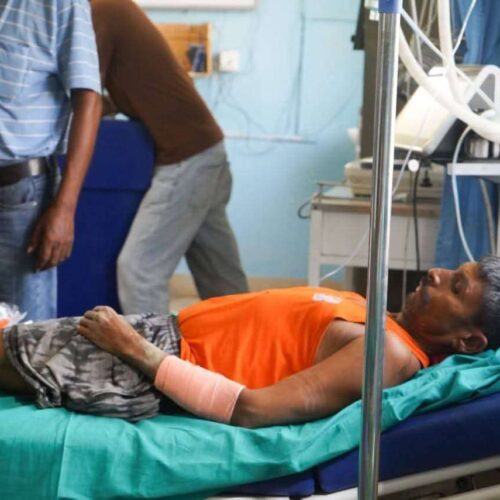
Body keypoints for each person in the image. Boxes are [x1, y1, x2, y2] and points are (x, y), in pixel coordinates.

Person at [1, 257, 499, 427]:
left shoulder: (390, 354)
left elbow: (252, 410)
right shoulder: (384, 323)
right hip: (154, 338)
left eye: (456, 287)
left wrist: (134, 349)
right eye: (453, 270)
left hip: (146, 363)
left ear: (470, 341)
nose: (436, 273)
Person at [90, 0, 248, 314]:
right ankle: (255, 344)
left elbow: (84, 94)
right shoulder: (114, 9)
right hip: (207, 149)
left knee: (139, 271)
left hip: (187, 159)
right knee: (223, 284)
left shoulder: (100, 9)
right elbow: (127, 93)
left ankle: (148, 349)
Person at [0, 0, 102, 320]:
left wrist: (65, 208)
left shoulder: (61, 5)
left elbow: (89, 100)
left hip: (19, 197)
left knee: (24, 333)